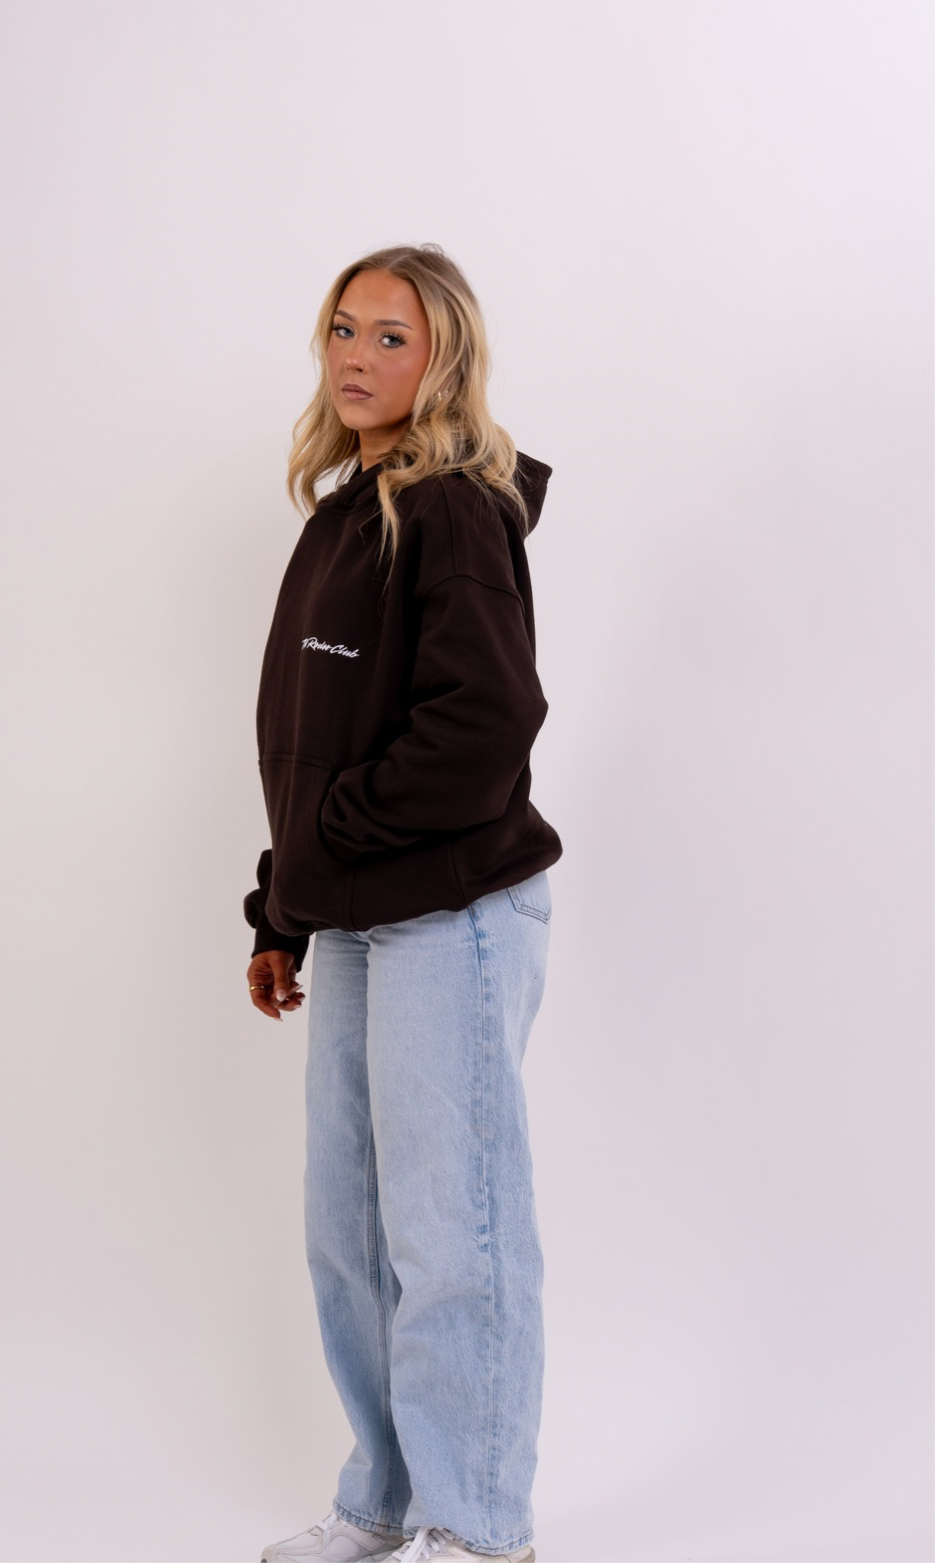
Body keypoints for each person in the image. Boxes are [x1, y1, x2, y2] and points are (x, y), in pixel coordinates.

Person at [243, 243, 562, 1563]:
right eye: (344, 329)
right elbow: (316, 746)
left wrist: (324, 849)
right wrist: (284, 904)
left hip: (454, 912)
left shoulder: (453, 510)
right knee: (352, 1229)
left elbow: (480, 730)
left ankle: (480, 1528)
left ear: (445, 361)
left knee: (451, 1229)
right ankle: (384, 1501)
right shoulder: (343, 514)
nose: (359, 357)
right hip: (362, 913)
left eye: (392, 337)